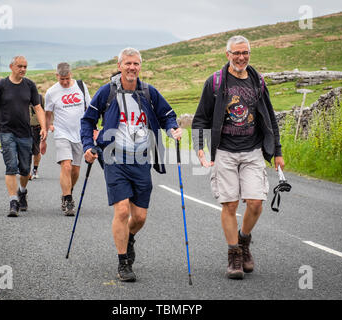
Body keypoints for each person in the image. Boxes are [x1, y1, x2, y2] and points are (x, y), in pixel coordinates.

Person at [81, 47, 182, 282]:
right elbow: (87, 120)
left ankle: (129, 237)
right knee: (122, 210)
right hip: (114, 157)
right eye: (127, 63)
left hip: (142, 159)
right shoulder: (107, 92)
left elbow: (167, 114)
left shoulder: (148, 92)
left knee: (139, 217)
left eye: (136, 64)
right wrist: (88, 145)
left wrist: (172, 128)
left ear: (140, 66)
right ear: (119, 66)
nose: (132, 68)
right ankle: (123, 262)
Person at [192, 35, 285, 280]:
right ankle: (234, 254)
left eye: (245, 53)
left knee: (255, 203)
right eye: (236, 53)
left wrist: (277, 151)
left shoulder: (258, 81)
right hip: (224, 151)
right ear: (227, 55)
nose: (241, 57)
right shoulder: (215, 82)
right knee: (230, 204)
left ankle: (244, 240)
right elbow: (200, 118)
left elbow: (270, 118)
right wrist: (200, 147)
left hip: (253, 150)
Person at [0, 55, 47, 217]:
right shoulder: (1, 86)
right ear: (11, 67)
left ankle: (22, 191)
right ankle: (13, 202)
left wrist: (44, 127)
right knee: (11, 166)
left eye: (25, 66)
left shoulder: (29, 85)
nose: (23, 69)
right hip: (6, 132)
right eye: (20, 66)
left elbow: (38, 108)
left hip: (25, 133)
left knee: (25, 170)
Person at [41, 62, 91, 216]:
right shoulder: (51, 92)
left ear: (71, 75)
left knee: (75, 170)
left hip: (79, 134)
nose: (64, 82)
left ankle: (67, 191)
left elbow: (89, 109)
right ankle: (68, 199)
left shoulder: (81, 87)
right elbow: (47, 114)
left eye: (67, 79)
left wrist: (93, 130)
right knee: (66, 166)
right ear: (57, 76)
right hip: (61, 133)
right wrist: (44, 136)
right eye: (62, 79)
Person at [29, 94, 45, 180]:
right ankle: (26, 170)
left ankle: (35, 169)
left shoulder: (39, 97)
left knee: (36, 150)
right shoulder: (20, 95)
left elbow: (44, 111)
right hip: (24, 127)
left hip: (37, 126)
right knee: (25, 149)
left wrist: (46, 126)